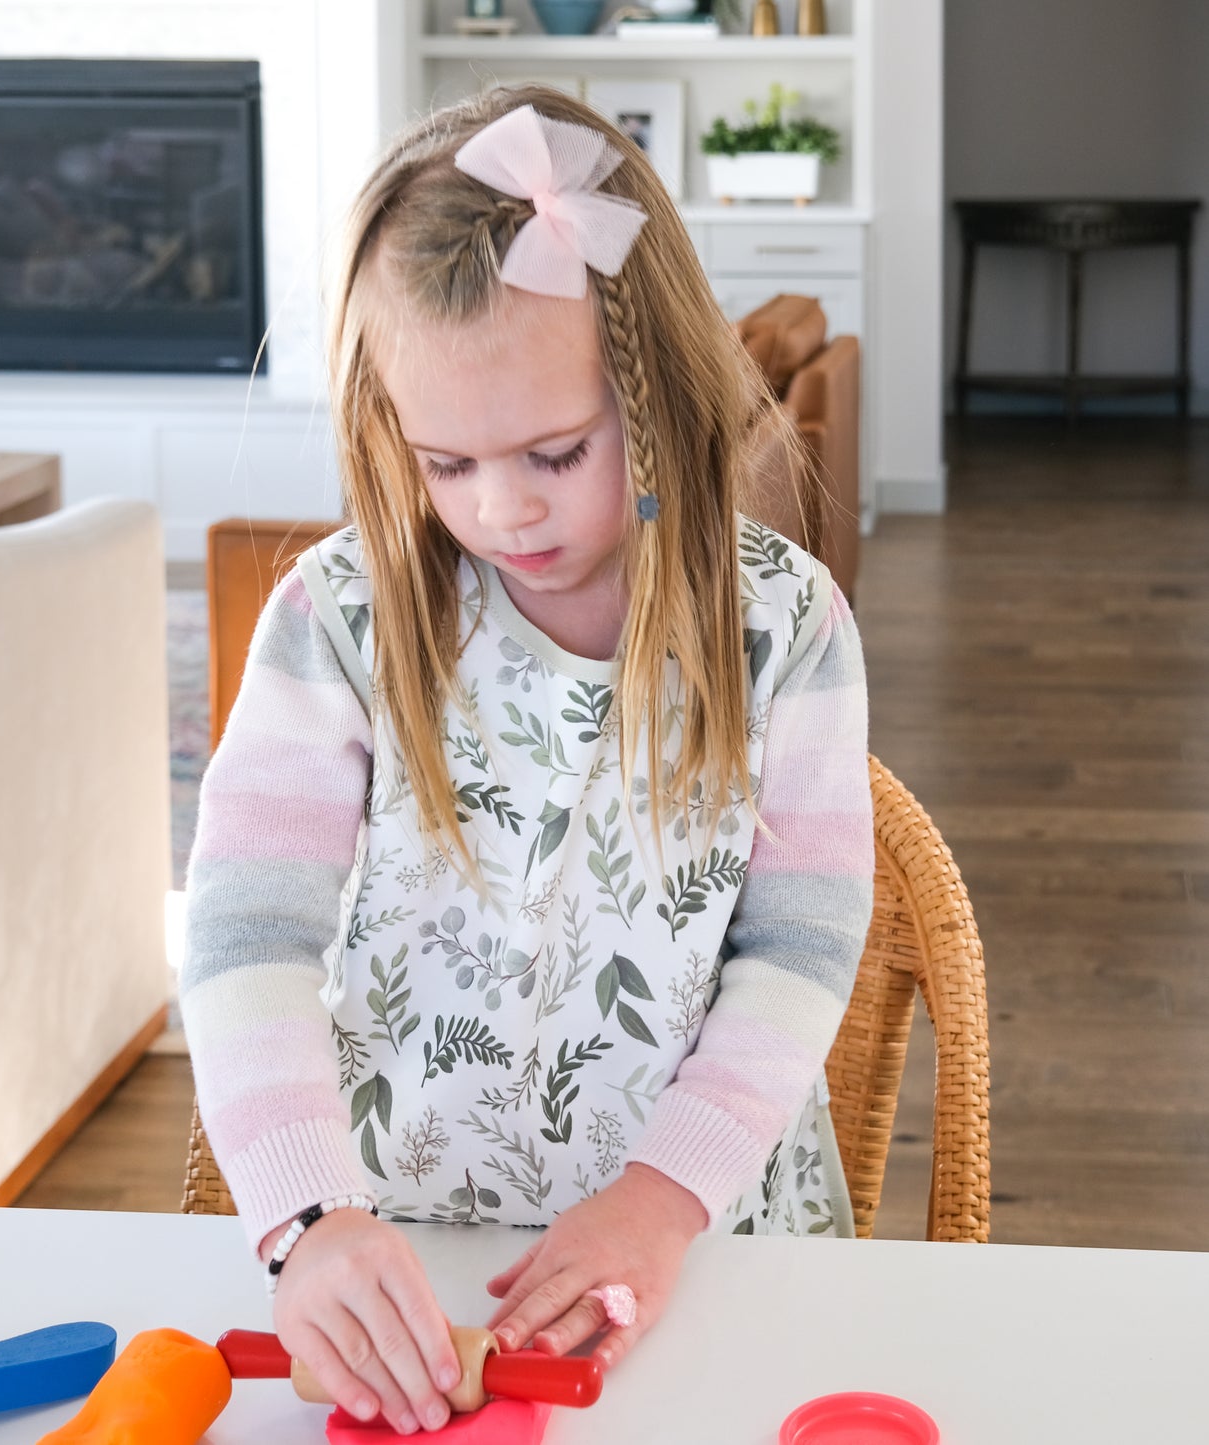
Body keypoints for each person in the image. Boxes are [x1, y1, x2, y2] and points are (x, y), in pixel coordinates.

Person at [181, 85, 874, 1437]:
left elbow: (798, 949)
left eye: (555, 452)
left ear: (657, 389)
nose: (501, 509)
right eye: (446, 461)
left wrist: (664, 1195)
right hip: (413, 1260)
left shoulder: (784, 627)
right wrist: (309, 1217)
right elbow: (245, 930)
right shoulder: (341, 623)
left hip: (706, 1242)